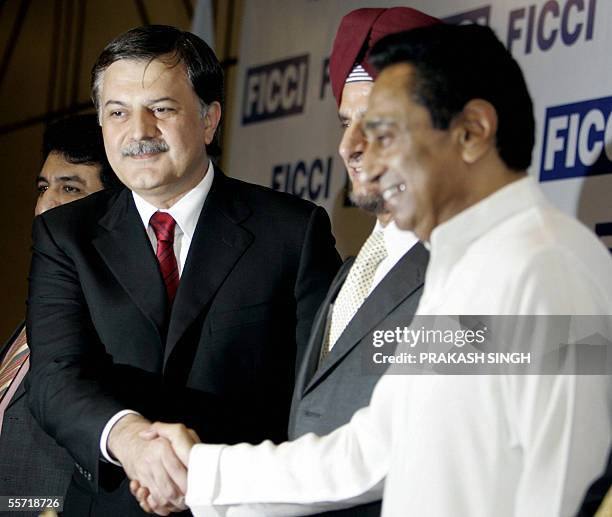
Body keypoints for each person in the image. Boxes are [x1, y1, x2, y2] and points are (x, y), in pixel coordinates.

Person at [134, 24, 612, 517]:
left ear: (472, 131)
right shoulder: (460, 269)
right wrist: (200, 472)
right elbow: (375, 449)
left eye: (384, 130)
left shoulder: (551, 267)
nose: (352, 150)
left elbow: (567, 491)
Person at [25, 25, 341, 517]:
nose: (139, 132)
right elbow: (55, 378)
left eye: (162, 109)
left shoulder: (292, 233)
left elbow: (320, 390)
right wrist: (131, 441)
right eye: (117, 113)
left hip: (244, 505)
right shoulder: (65, 236)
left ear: (209, 119)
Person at [288, 8, 437, 517]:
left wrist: (202, 477)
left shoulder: (472, 268)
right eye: (346, 122)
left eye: (375, 123)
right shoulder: (350, 273)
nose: (349, 147)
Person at [0, 113, 119, 513]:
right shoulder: (40, 313)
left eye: (69, 188)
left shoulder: (116, 323)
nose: (46, 205)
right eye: (43, 187)